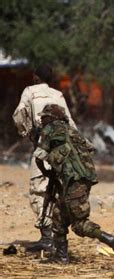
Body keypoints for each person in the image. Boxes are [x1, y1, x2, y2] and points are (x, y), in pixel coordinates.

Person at [33, 104, 114, 264]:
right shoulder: (71, 130)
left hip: (73, 180)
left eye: (44, 117)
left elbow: (39, 157)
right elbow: (89, 147)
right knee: (58, 215)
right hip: (85, 178)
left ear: (51, 117)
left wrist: (48, 172)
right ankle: (61, 256)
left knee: (79, 223)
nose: (42, 120)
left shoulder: (50, 129)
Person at [12, 64, 77, 251]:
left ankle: (47, 237)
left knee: (38, 190)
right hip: (63, 151)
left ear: (35, 77)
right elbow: (70, 122)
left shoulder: (29, 91)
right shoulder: (58, 95)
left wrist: (27, 132)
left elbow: (18, 115)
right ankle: (59, 239)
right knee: (57, 192)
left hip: (43, 148)